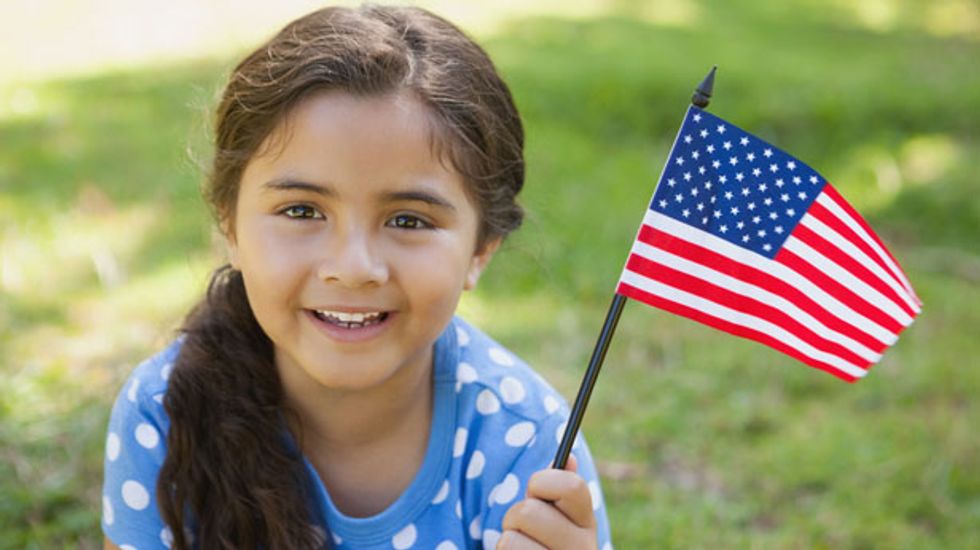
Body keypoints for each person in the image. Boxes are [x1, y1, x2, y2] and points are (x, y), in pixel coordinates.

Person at [101, 5, 612, 549]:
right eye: (301, 211)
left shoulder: (529, 446)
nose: (353, 267)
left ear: (480, 249)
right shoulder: (166, 412)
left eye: (409, 220)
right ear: (230, 224)